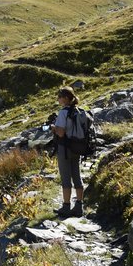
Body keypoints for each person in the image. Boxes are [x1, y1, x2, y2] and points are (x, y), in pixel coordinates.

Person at [51, 86, 84, 217]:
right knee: (77, 176)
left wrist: (53, 127)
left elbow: (61, 132)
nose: (58, 99)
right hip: (78, 147)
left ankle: (66, 207)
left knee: (65, 178)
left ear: (65, 98)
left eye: (59, 97)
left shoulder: (64, 112)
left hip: (65, 148)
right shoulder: (78, 111)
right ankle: (79, 206)